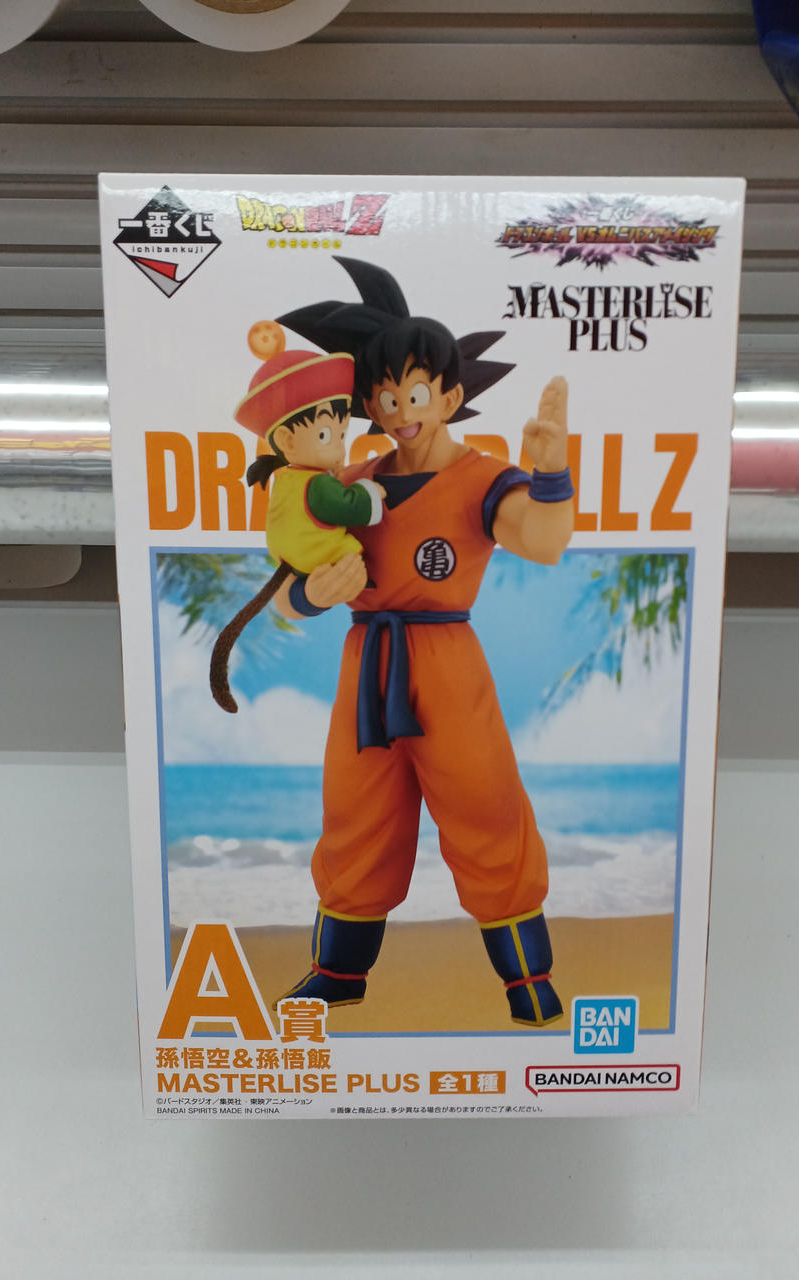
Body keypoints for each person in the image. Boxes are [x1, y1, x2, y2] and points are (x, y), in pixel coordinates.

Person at [274, 257, 574, 1026]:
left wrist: (551, 474)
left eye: (413, 392)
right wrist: (312, 594)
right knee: (356, 813)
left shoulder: (485, 479)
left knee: (485, 806)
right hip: (367, 663)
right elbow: (286, 589)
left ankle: (527, 979)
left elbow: (543, 542)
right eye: (382, 394)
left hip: (447, 666)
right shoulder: (347, 483)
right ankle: (338, 973)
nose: (397, 409)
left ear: (448, 395)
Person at [208, 320, 384, 714]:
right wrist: (310, 597)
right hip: (361, 641)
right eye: (327, 436)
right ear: (287, 441)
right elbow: (288, 599)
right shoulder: (326, 482)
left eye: (342, 435)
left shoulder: (292, 481)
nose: (339, 449)